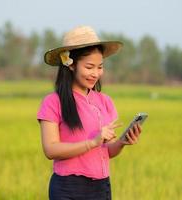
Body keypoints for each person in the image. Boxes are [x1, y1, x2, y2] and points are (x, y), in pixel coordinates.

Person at [37, 25, 142, 200]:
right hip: (67, 187)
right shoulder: (53, 102)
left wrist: (122, 142)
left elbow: (107, 151)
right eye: (89, 67)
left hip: (101, 187)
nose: (95, 73)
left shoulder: (105, 102)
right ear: (71, 65)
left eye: (100, 67)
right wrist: (92, 142)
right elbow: (50, 149)